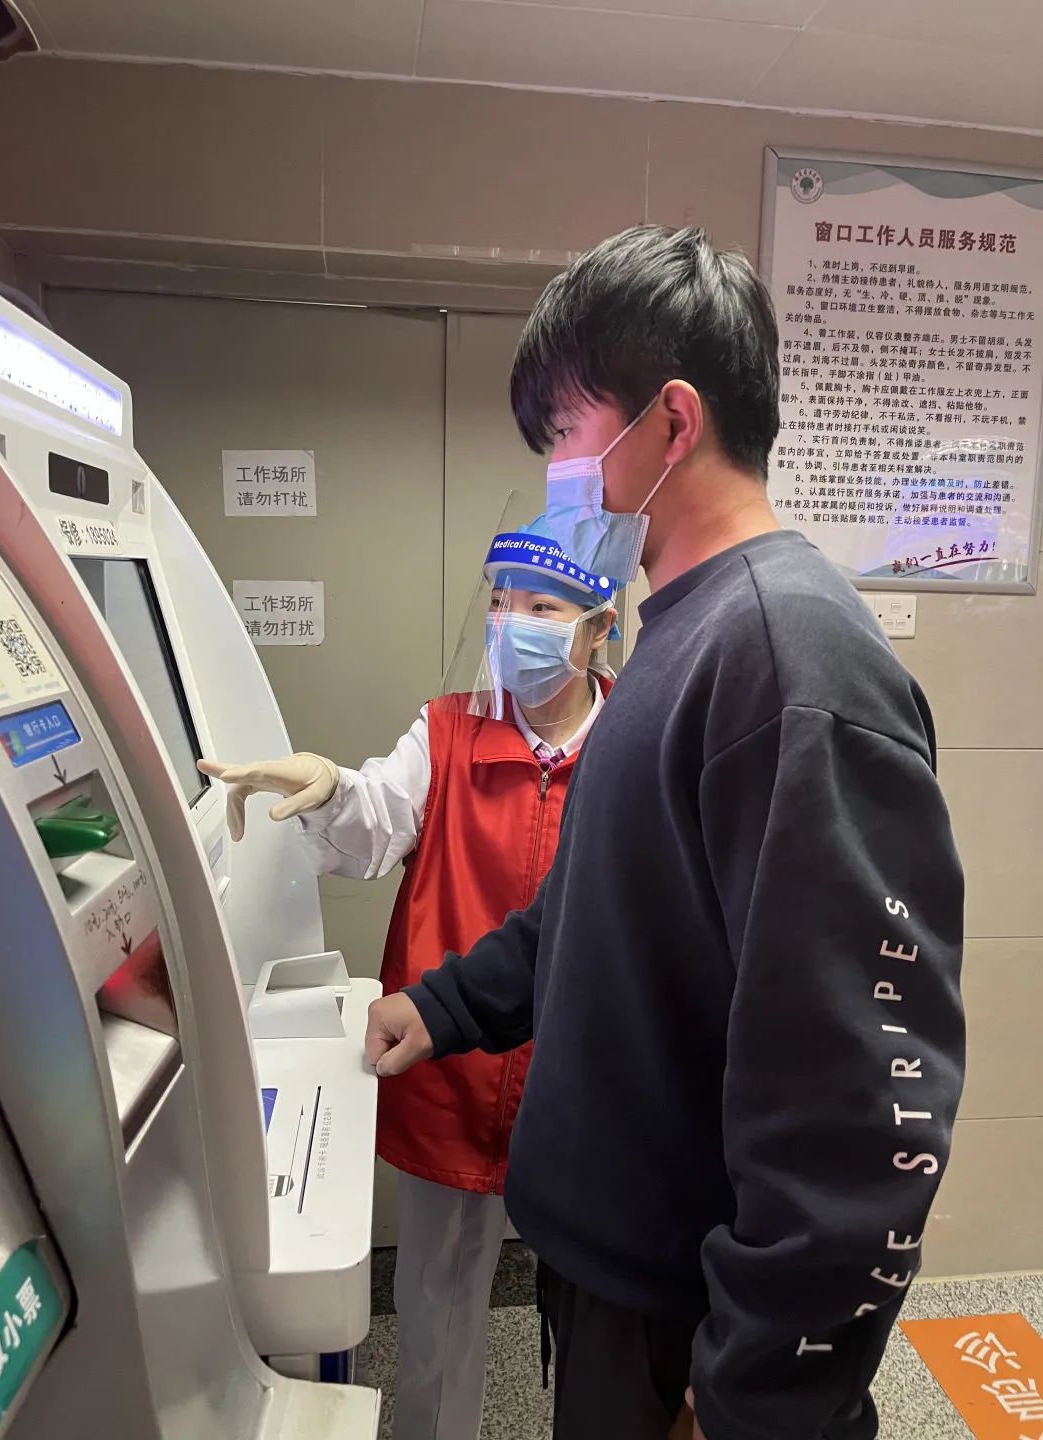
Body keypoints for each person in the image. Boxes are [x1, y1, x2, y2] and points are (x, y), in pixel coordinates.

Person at [364, 225, 966, 1440]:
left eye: (566, 437)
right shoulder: (676, 634)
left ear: (674, 422)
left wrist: (758, 1381)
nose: (557, 479)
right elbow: (598, 904)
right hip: (612, 1281)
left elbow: (859, 1094)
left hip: (690, 1329)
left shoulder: (790, 662)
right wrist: (445, 1008)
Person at [199, 518, 618, 1440]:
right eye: (500, 603)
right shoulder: (449, 732)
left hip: (587, 1085)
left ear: (598, 629)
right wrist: (328, 785)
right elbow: (375, 819)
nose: (511, 624)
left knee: (602, 1318)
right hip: (450, 1062)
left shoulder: (638, 736)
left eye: (542, 608)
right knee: (438, 1310)